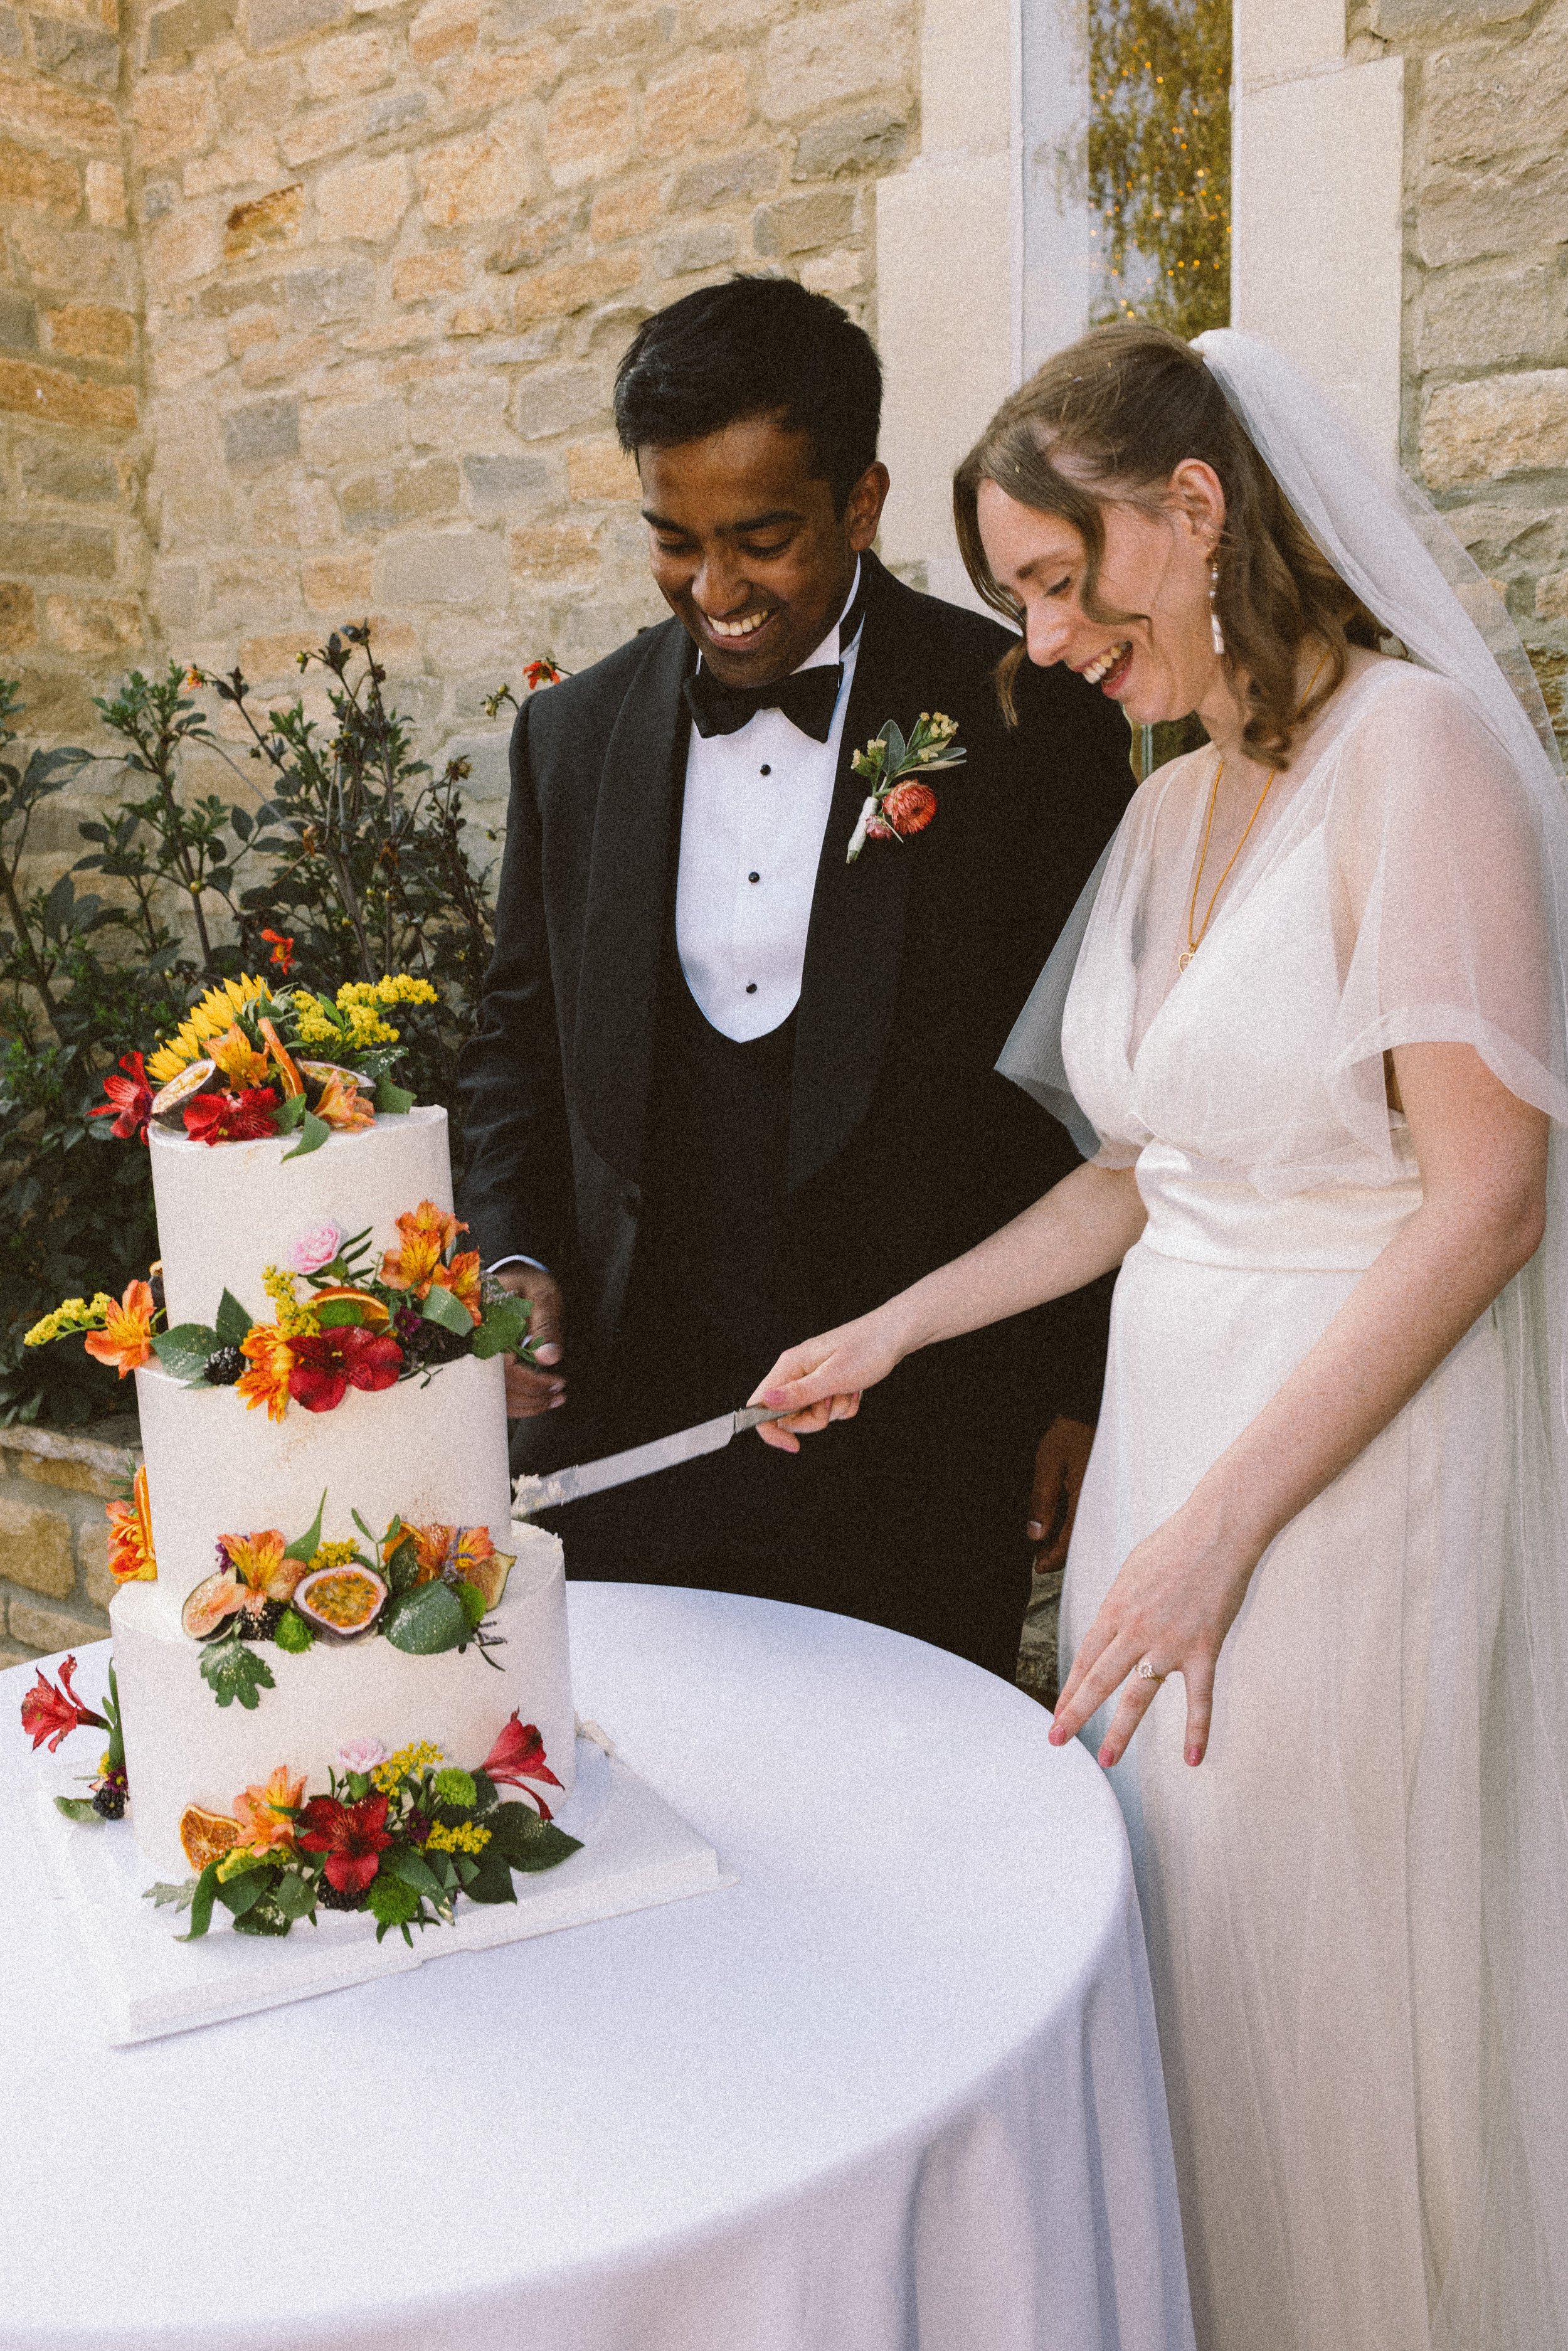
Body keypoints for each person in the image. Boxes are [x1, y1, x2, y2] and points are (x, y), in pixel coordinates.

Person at [752, 322, 1568, 2350]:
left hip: (1339, 1479)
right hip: (1167, 1461)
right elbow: (1141, 1174)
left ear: (1194, 510)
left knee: (1325, 1979)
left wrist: (1221, 1528)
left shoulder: (1418, 756)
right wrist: (898, 1321)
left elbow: (1488, 1193)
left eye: (1059, 575)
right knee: (1186, 1954)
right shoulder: (1170, 805)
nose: (1036, 640)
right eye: (1015, 589)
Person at [458, 275, 1133, 1677]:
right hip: (633, 1431)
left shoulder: (1026, 718)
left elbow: (1092, 1084)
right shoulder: (568, 739)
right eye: (673, 540)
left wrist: (1077, 1390)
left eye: (760, 540)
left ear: (861, 500)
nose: (715, 592)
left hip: (923, 1432)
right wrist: (511, 1257)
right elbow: (516, 1043)